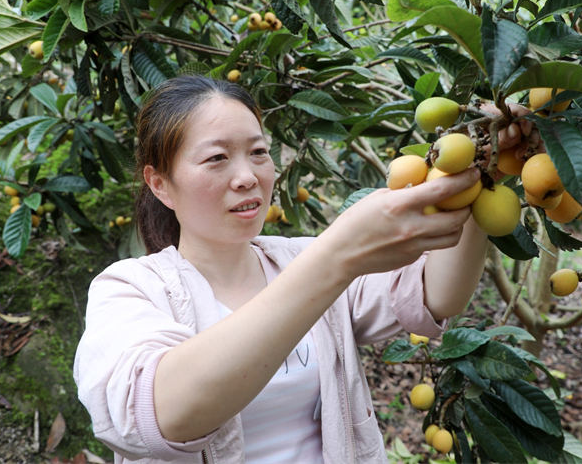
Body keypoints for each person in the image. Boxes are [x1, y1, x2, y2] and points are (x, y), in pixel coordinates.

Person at [73, 74, 497, 463]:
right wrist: (337, 255)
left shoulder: (297, 258)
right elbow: (162, 415)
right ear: (160, 184)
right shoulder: (128, 289)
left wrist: (483, 167)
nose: (247, 176)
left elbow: (435, 293)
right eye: (217, 158)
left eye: (259, 153)